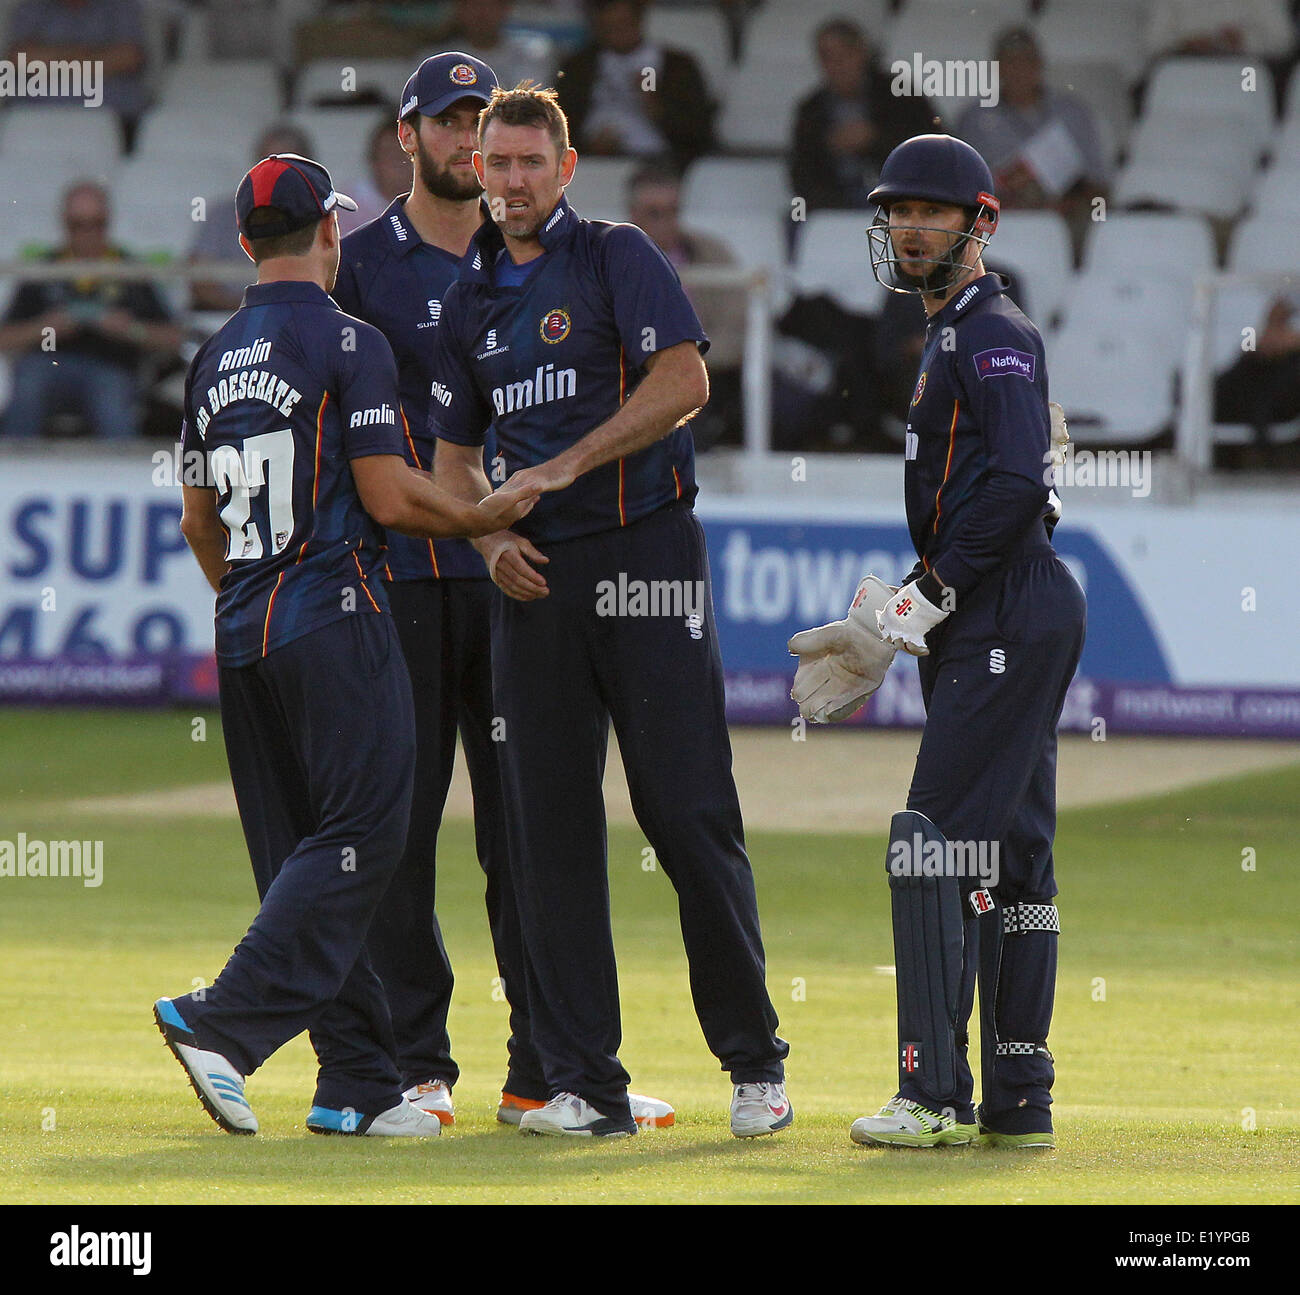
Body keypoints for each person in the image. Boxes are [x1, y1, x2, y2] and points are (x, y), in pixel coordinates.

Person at [429, 83, 792, 1139]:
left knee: (686, 812)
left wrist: (563, 463)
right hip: (535, 582)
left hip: (649, 559)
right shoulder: (467, 301)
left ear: (565, 167)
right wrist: (489, 536)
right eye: (493, 164)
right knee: (548, 834)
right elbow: (452, 463)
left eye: (527, 164)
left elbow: (683, 381)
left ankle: (753, 1060)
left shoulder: (616, 255)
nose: (508, 181)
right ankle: (585, 1078)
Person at [154, 151, 537, 1138]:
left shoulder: (211, 354)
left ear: (245, 241)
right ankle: (221, 1022)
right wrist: (483, 515)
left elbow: (198, 522)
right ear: (328, 232)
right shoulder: (347, 339)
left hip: (242, 628)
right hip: (334, 610)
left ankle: (356, 1082)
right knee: (367, 833)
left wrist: (248, 597)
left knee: (303, 851)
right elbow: (388, 494)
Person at [332, 52, 677, 1132]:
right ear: (411, 135)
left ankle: (553, 1065)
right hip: (403, 579)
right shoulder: (357, 265)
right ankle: (415, 1063)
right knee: (398, 825)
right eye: (449, 123)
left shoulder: (533, 259)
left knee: (530, 829)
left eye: (480, 124)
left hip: (518, 577)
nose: (465, 142)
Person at [788, 134, 1085, 1150]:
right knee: (1013, 857)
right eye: (896, 212)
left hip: (1005, 607)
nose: (910, 227)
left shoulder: (988, 330)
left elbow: (1010, 485)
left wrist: (925, 597)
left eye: (932, 211)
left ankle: (930, 1091)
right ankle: (1019, 1093)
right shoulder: (951, 335)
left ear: (981, 222)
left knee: (934, 844)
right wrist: (921, 601)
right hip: (1004, 610)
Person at [0, 181, 181, 440]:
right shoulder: (43, 269)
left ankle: (122, 476)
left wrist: (130, 329)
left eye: (96, 224)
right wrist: (45, 327)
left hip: (112, 367)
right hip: (46, 365)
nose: (87, 234)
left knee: (111, 393)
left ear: (108, 222)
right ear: (64, 223)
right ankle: (11, 476)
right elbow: (4, 338)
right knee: (29, 381)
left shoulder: (131, 269)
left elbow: (174, 338)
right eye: (77, 225)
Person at [625, 159, 744, 448]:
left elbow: (736, 335)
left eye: (673, 211)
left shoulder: (713, 255)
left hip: (703, 379)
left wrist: (678, 362)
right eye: (655, 213)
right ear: (632, 214)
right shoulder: (606, 261)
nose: (666, 222)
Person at [954, 27, 1108, 246]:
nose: (1019, 70)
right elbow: (965, 184)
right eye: (1010, 62)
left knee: (1095, 216)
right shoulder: (974, 117)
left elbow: (1098, 181)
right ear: (997, 68)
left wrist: (1064, 204)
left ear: (1039, 65)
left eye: (1026, 61)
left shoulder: (1072, 113)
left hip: (1065, 209)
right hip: (999, 212)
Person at [791, 17, 935, 213]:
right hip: (834, 204)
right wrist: (828, 147)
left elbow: (931, 149)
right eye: (827, 57)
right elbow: (800, 174)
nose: (836, 65)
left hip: (900, 199)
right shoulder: (811, 109)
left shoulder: (901, 94)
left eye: (844, 55)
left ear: (862, 53)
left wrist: (875, 138)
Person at [556, 0, 716, 169]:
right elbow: (559, 123)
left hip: (661, 164)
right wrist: (587, 147)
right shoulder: (577, 67)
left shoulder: (678, 67)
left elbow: (698, 131)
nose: (617, 34)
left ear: (639, 20)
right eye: (608, 28)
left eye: (624, 24)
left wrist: (656, 108)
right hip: (591, 163)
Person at [189, 123, 316, 313]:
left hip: (303, 318)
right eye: (266, 162)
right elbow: (199, 283)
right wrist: (252, 310)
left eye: (286, 163)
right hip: (228, 320)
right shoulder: (222, 214)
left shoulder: (325, 217)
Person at [5, 0, 149, 147]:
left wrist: (52, 59)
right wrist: (96, 57)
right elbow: (20, 59)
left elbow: (128, 58)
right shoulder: (32, 7)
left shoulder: (121, 7)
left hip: (118, 125)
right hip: (35, 125)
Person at [436, 0, 558, 92]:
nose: (482, 13)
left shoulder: (533, 51)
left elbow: (529, 104)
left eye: (490, 4)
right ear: (459, 9)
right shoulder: (437, 60)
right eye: (473, 5)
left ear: (506, 8)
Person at [337, 113, 417, 236]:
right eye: (389, 153)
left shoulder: (435, 201)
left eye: (404, 153)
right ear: (373, 161)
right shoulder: (347, 206)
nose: (399, 161)